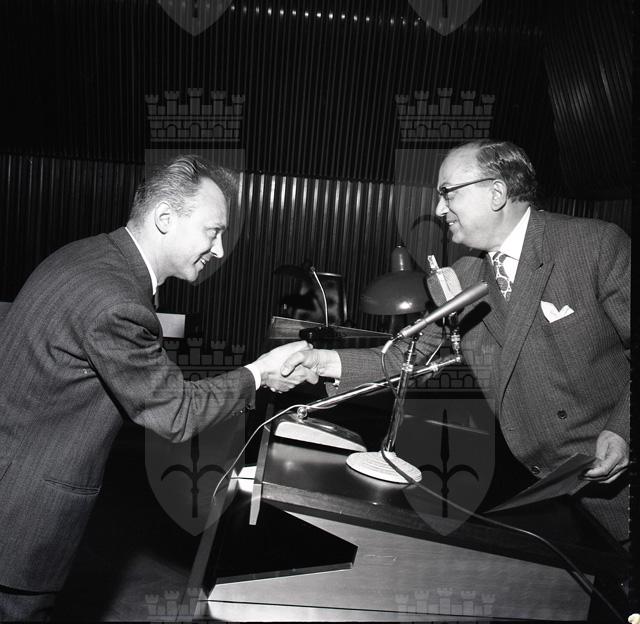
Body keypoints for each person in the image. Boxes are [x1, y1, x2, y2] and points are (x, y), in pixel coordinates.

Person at [0, 155, 314, 621]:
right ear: (165, 218)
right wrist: (259, 373)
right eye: (213, 231)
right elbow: (176, 414)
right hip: (21, 513)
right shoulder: (116, 300)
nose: (219, 250)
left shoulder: (90, 255)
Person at [282, 139, 630, 546]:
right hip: (550, 490)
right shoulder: (462, 276)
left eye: (448, 193)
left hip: (620, 478)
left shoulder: (594, 246)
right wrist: (320, 361)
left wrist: (622, 432)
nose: (438, 209)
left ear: (496, 192)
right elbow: (406, 357)